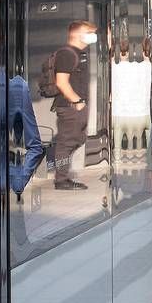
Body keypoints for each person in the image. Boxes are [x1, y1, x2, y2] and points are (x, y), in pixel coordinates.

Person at [52, 20, 95, 190]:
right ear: (77, 34)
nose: (93, 36)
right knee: (66, 143)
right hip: (70, 106)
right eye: (89, 32)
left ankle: (62, 175)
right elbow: (62, 82)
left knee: (77, 139)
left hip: (75, 106)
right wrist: (77, 102)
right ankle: (61, 180)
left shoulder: (77, 53)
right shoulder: (67, 53)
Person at [113, 33, 152, 164]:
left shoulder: (114, 68)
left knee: (117, 142)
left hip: (120, 115)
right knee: (150, 135)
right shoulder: (148, 67)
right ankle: (150, 161)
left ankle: (118, 160)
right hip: (144, 114)